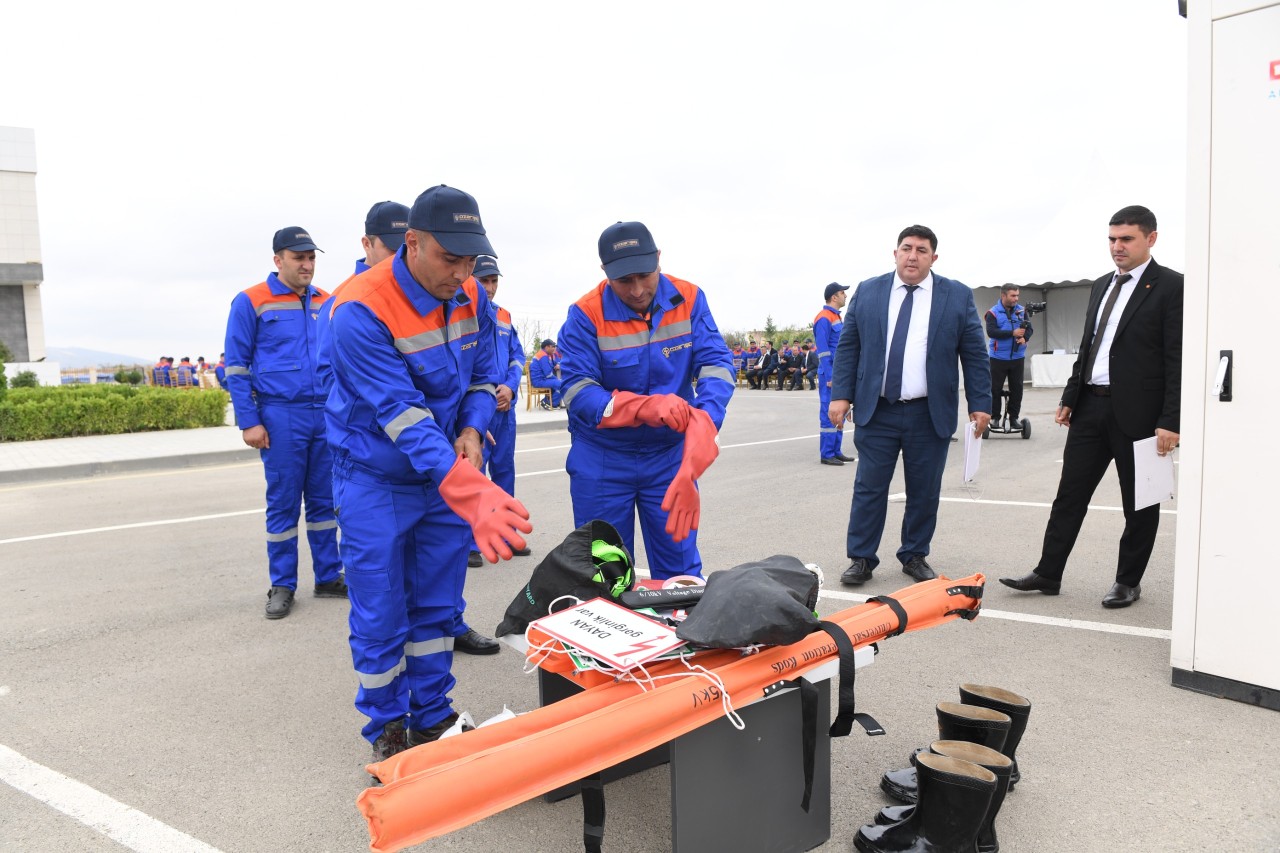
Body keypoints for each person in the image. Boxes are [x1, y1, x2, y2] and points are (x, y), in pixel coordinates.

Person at [326, 185, 531, 761]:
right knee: (382, 608)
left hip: (446, 466)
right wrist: (471, 489)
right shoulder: (358, 310)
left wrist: (471, 427)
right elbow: (402, 416)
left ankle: (433, 715)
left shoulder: (470, 294)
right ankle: (389, 731)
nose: (463, 273)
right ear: (411, 243)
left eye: (471, 260)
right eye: (450, 258)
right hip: (376, 477)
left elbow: (486, 369)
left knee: (438, 606)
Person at [1001, 205, 1182, 609]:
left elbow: (1178, 357)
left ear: (1151, 239)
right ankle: (1048, 572)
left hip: (1144, 418)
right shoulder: (1101, 285)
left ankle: (1127, 581)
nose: (1117, 247)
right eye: (1112, 239)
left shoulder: (1172, 286)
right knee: (1069, 496)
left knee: (1141, 504)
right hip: (1091, 409)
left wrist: (1172, 420)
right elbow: (1090, 348)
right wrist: (1069, 397)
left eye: (1126, 239)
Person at [558, 220, 735, 579]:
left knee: (681, 572)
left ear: (658, 259)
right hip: (603, 458)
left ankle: (684, 633)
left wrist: (706, 418)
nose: (638, 290)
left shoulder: (689, 298)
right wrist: (643, 406)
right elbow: (578, 391)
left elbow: (716, 362)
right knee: (605, 574)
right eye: (624, 280)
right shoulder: (585, 314)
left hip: (668, 457)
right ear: (605, 271)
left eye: (644, 275)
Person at [829, 225, 991, 586]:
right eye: (906, 248)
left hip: (928, 411)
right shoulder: (869, 292)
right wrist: (841, 394)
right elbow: (849, 347)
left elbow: (975, 354)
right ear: (895, 253)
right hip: (878, 409)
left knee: (924, 488)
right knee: (869, 487)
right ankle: (861, 558)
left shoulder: (957, 296)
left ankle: (914, 554)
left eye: (921, 249)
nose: (912, 255)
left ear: (934, 257)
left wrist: (980, 403)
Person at [224, 226, 346, 619]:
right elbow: (237, 367)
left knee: (326, 502)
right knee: (283, 504)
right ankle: (282, 584)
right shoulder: (251, 301)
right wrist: (249, 421)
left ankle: (328, 576)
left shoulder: (327, 301)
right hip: (280, 415)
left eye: (311, 257)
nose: (307, 264)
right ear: (278, 260)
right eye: (299, 258)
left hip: (324, 414)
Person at [457, 255, 529, 657]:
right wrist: (483, 398)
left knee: (505, 473)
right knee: (474, 478)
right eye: (483, 279)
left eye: (493, 280)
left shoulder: (503, 316)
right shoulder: (464, 311)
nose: (489, 287)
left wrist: (509, 387)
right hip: (480, 409)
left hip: (505, 408)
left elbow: (516, 357)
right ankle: (471, 543)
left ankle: (505, 535)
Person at [316, 200, 411, 393]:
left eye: (407, 249)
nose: (401, 257)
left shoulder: (418, 293)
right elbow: (328, 376)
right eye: (393, 249)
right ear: (367, 244)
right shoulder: (341, 300)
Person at [814, 282, 853, 465]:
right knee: (828, 411)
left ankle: (836, 450)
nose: (845, 295)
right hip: (830, 374)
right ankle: (827, 453)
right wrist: (830, 376)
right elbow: (822, 351)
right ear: (833, 297)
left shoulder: (836, 317)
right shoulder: (823, 318)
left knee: (840, 410)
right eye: (842, 293)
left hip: (840, 372)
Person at [985, 285, 1033, 428]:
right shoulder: (992, 313)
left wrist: (1025, 338)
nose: (1016, 299)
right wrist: (1012, 333)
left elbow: (1029, 329)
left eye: (1017, 295)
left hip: (1017, 357)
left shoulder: (1022, 311)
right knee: (994, 389)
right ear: (1003, 296)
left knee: (1017, 389)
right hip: (997, 358)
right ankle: (994, 418)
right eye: (1013, 296)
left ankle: (1014, 418)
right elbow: (991, 332)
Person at [529, 339, 562, 408]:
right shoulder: (543, 356)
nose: (554, 348)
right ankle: (551, 403)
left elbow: (554, 364)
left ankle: (546, 401)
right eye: (552, 347)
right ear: (547, 347)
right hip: (539, 381)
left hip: (542, 379)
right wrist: (557, 380)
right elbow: (548, 374)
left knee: (559, 383)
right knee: (562, 384)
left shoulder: (546, 355)